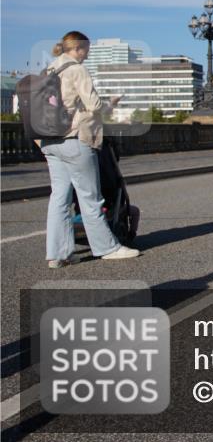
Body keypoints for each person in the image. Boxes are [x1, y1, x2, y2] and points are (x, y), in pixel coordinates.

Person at [41, 32, 141, 268]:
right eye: (87, 50)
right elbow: (94, 106)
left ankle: (58, 254)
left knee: (59, 199)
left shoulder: (50, 70)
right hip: (75, 139)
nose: (88, 54)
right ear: (78, 48)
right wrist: (111, 103)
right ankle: (107, 248)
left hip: (50, 142)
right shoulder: (76, 70)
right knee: (90, 197)